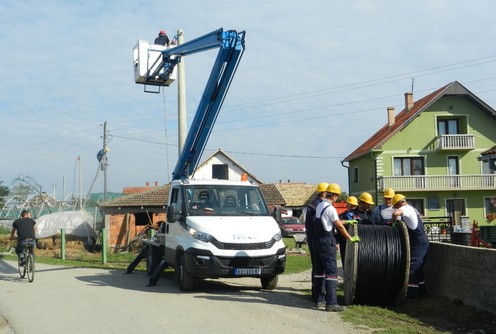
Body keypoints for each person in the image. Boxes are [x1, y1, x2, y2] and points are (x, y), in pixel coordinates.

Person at [313, 183, 360, 312]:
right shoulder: (331, 208)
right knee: (332, 273)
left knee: (319, 273)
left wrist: (347, 221)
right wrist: (350, 238)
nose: (337, 199)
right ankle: (331, 304)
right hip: (327, 243)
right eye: (337, 196)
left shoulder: (319, 206)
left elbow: (332, 221)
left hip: (318, 241)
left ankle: (319, 300)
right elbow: (338, 226)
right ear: (333, 196)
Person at [391, 194, 429, 299]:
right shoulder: (413, 209)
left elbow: (395, 214)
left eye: (396, 205)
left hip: (418, 241)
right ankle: (422, 290)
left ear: (400, 203)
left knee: (413, 267)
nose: (396, 208)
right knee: (419, 267)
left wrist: (393, 222)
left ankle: (413, 294)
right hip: (422, 240)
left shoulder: (405, 208)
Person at [305, 182, 328, 302]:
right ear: (324, 193)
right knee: (319, 266)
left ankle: (315, 292)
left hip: (311, 238)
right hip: (316, 238)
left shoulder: (312, 205)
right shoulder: (319, 206)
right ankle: (318, 294)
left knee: (316, 266)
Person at [337, 196, 358, 267]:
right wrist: (336, 242)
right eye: (351, 205)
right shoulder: (341, 216)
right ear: (347, 205)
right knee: (345, 259)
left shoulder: (359, 216)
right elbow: (337, 228)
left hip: (356, 241)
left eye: (354, 206)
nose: (352, 207)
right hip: (344, 241)